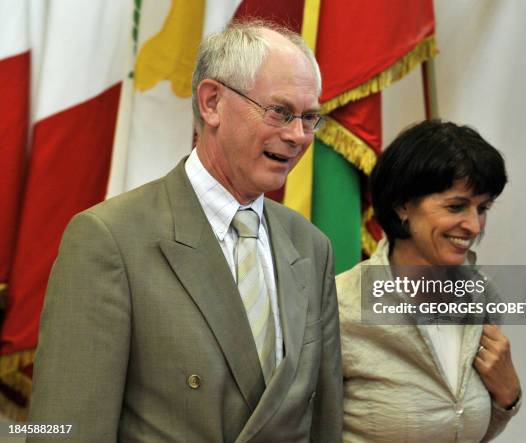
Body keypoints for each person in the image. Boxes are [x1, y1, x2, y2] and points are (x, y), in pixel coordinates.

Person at [29, 21, 342, 442]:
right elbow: (64, 430)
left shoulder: (310, 246)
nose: (298, 136)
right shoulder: (110, 239)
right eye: (280, 112)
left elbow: (323, 423)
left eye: (309, 118)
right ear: (211, 102)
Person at [337, 120, 521, 442]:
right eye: (456, 206)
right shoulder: (339, 305)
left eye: (483, 208)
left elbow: (461, 428)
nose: (474, 226)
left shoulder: (482, 296)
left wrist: (508, 397)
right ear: (402, 205)